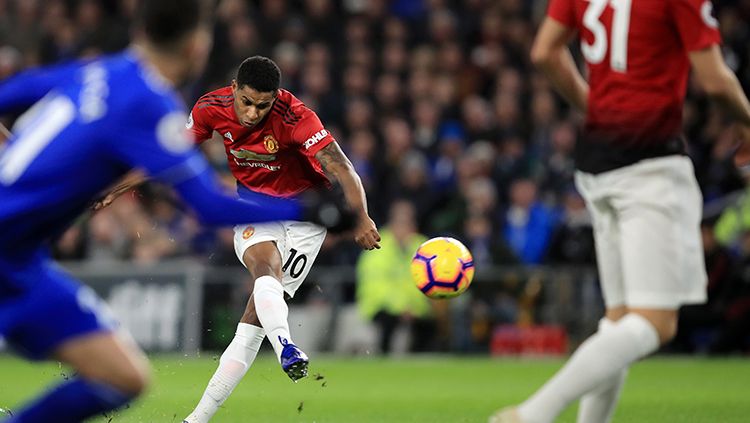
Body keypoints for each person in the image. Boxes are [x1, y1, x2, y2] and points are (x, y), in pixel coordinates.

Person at [0, 2, 349, 422]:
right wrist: (313, 210)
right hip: (10, 252)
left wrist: (13, 145)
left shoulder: (97, 70)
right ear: (196, 46)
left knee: (122, 378)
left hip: (19, 260)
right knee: (121, 379)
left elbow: (12, 93)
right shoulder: (150, 104)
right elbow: (208, 205)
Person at [490, 0, 750, 422]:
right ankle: (534, 413)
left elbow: (544, 52)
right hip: (649, 161)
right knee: (655, 323)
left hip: (597, 162)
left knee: (620, 320)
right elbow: (716, 82)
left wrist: (593, 106)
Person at [182, 56, 380, 423]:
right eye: (247, 102)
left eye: (263, 105)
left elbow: (342, 167)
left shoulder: (296, 117)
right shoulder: (211, 107)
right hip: (255, 205)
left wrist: (362, 217)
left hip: (307, 217)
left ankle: (196, 420)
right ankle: (286, 346)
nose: (254, 113)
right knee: (264, 267)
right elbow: (171, 155)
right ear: (234, 89)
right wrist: (117, 187)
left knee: (253, 319)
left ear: (276, 98)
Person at [356, 200, 433, 354]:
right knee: (388, 322)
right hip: (381, 307)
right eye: (400, 223)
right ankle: (383, 357)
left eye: (407, 223)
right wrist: (402, 308)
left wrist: (414, 309)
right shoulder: (376, 244)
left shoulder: (423, 247)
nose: (403, 229)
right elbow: (375, 286)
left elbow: (426, 281)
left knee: (429, 325)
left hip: (415, 308)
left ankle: (421, 359)